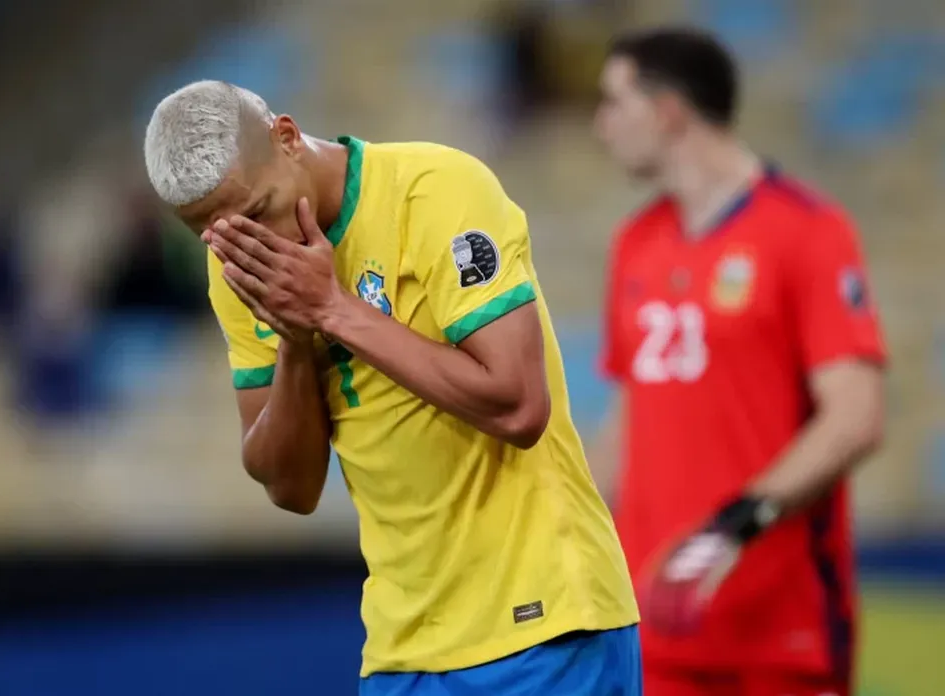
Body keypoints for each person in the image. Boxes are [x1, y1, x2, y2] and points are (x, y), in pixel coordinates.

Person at [143, 81, 641, 696]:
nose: (254, 245)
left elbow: (519, 406)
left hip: (544, 625)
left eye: (259, 211)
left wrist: (333, 309)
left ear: (288, 138)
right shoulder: (241, 272)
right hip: (403, 649)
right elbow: (291, 487)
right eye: (216, 236)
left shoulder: (435, 191)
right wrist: (295, 339)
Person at [591, 28, 887, 696]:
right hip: (656, 627)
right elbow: (627, 421)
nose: (599, 125)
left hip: (779, 632)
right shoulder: (634, 244)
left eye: (613, 102)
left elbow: (857, 416)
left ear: (668, 111)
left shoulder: (808, 230)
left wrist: (730, 529)